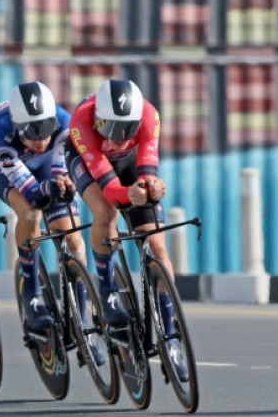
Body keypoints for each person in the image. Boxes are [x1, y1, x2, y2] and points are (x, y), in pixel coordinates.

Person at [0, 82, 106, 365]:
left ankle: (82, 322)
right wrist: (47, 190)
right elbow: (33, 191)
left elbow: (58, 173)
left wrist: (63, 185)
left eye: (45, 129)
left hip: (45, 165)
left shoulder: (65, 125)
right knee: (30, 211)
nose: (40, 138)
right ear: (17, 125)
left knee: (73, 240)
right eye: (31, 133)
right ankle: (31, 293)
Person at [65, 78, 188, 381]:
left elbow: (146, 172)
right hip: (91, 162)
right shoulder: (81, 122)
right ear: (99, 119)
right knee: (106, 213)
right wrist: (126, 196)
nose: (120, 137)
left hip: (130, 164)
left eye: (127, 129)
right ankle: (106, 288)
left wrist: (152, 187)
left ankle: (171, 336)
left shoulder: (149, 115)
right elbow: (109, 188)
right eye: (112, 128)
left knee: (157, 247)